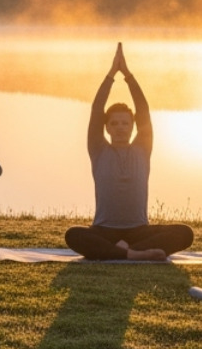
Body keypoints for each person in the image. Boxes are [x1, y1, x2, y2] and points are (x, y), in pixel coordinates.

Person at [64, 43, 194, 261]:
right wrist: (111, 75)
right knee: (73, 235)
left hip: (139, 231)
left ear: (133, 126)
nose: (120, 127)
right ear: (107, 128)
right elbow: (97, 111)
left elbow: (143, 110)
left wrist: (128, 75)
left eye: (125, 123)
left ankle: (121, 250)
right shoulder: (98, 149)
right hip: (104, 230)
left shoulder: (142, 148)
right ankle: (132, 253)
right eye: (114, 123)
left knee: (185, 233)